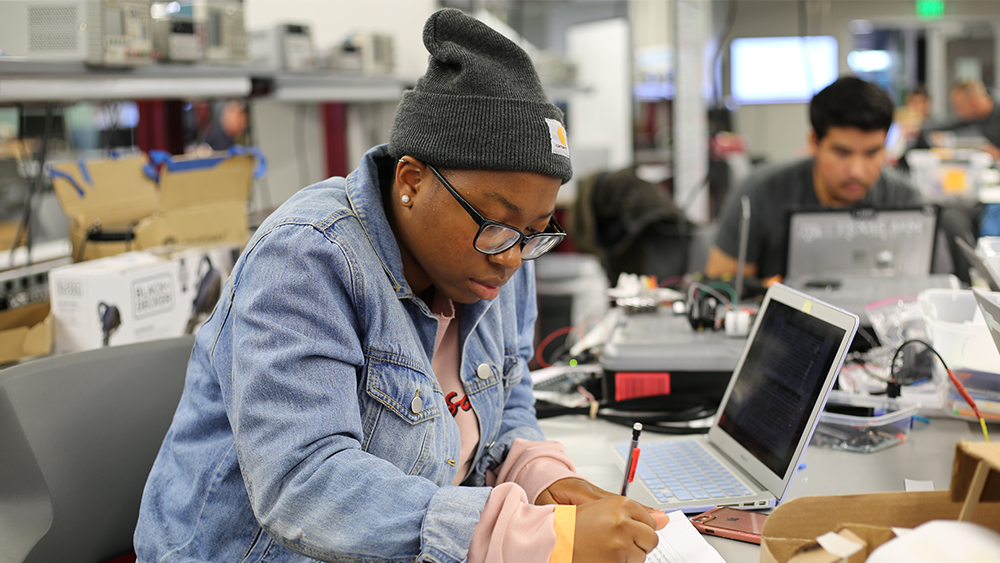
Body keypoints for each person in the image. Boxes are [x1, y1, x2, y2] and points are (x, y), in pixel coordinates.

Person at [134, 9, 667, 563]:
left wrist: (544, 480)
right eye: (498, 225)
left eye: (535, 233)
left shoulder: (504, 257)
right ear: (412, 180)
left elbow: (508, 404)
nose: (512, 258)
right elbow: (303, 484)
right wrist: (518, 536)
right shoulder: (308, 257)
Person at [703, 76, 923, 285]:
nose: (857, 171)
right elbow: (720, 286)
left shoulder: (907, 202)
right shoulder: (759, 194)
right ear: (814, 142)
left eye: (872, 153)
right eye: (842, 153)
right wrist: (763, 291)